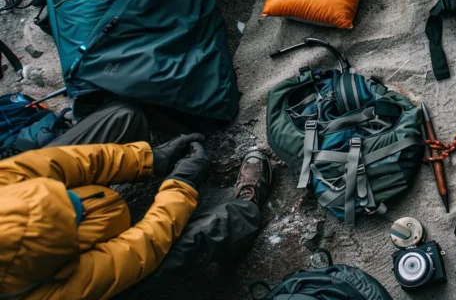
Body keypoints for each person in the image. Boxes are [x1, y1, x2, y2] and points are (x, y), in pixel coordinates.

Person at [0, 101, 270, 299]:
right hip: (90, 281)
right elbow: (142, 247)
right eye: (72, 219)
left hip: (87, 219)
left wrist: (148, 159)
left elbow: (64, 163)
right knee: (217, 226)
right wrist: (181, 185)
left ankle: (150, 162)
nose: (74, 202)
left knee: (122, 116)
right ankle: (245, 213)